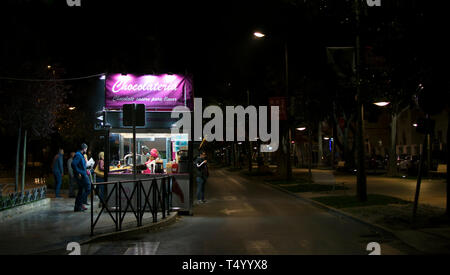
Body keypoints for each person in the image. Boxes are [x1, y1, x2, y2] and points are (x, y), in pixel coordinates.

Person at [72, 143, 91, 212]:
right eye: (86, 149)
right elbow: (73, 164)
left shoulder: (80, 155)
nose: (86, 150)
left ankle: (78, 206)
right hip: (82, 175)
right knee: (88, 188)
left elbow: (80, 165)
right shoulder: (78, 155)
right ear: (83, 149)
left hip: (83, 173)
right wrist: (78, 172)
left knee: (81, 190)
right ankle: (80, 204)